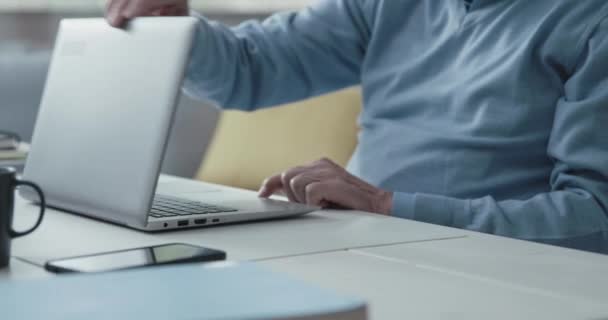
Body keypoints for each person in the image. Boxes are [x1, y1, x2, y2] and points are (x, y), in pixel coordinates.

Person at [105, 0, 608, 253]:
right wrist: (171, 20)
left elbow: (595, 216)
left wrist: (388, 206)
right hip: (352, 243)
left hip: (486, 270)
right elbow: (249, 69)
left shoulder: (592, 20)